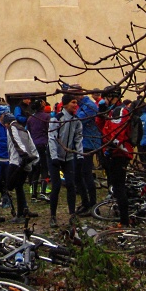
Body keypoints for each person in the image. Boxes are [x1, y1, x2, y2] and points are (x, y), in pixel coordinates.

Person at [97, 89, 132, 226]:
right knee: (116, 186)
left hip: (119, 153)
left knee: (119, 187)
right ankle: (123, 217)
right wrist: (101, 113)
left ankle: (124, 221)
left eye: (104, 98)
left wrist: (110, 150)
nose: (103, 100)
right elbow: (102, 127)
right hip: (114, 152)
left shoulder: (120, 111)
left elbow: (117, 135)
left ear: (111, 97)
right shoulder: (112, 111)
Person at [49, 97, 82, 226]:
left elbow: (78, 138)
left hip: (68, 156)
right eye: (73, 102)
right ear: (65, 104)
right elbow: (52, 138)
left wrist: (79, 155)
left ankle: (72, 214)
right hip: (54, 155)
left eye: (76, 102)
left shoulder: (76, 120)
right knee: (56, 186)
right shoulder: (56, 118)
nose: (75, 105)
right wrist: (53, 157)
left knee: (71, 185)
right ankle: (52, 216)